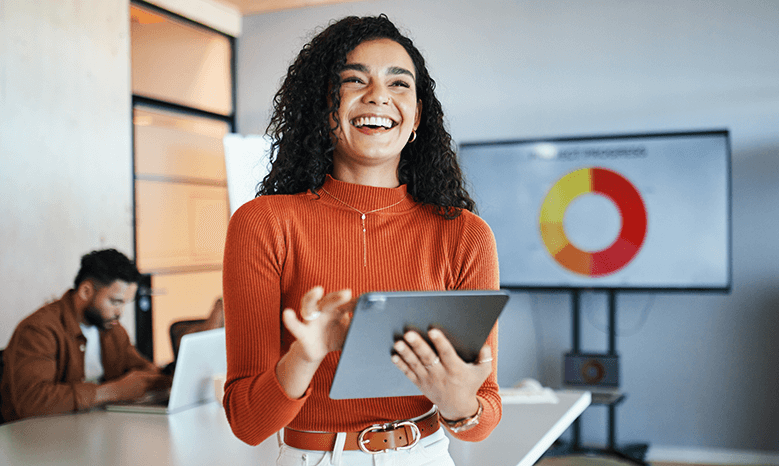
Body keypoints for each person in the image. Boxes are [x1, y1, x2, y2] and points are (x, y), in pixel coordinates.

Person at [222, 14, 501, 465]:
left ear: (416, 116)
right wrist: (306, 356)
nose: (378, 96)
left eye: (399, 84)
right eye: (354, 80)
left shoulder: (465, 234)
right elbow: (248, 423)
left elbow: (484, 415)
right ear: (323, 106)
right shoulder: (263, 223)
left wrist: (458, 403)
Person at [0, 249, 169, 422]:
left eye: (125, 303)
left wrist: (167, 378)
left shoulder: (112, 329)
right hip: (35, 433)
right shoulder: (39, 330)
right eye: (115, 302)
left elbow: (140, 371)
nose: (120, 313)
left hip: (91, 426)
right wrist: (112, 391)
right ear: (86, 291)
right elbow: (32, 401)